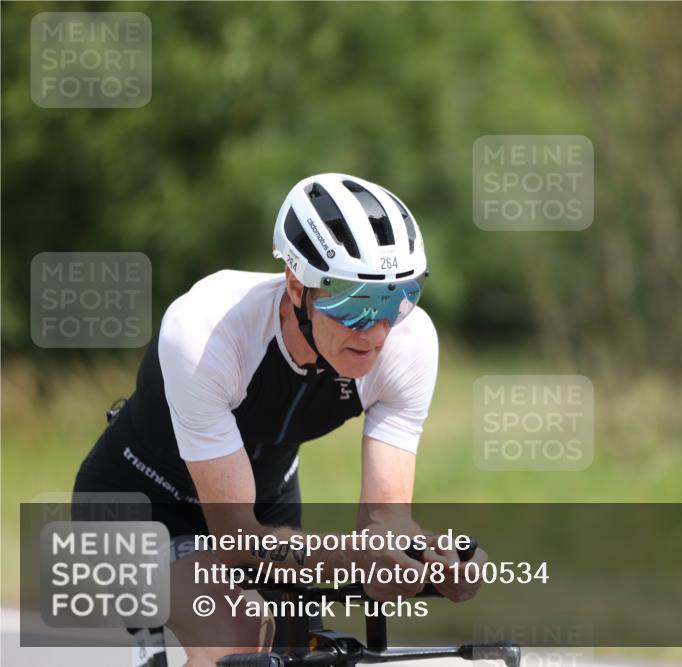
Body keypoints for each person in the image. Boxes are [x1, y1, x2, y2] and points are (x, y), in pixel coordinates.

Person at [72, 173, 485, 666]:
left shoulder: (409, 343)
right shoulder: (208, 334)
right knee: (238, 631)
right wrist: (356, 556)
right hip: (139, 505)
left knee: (304, 650)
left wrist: (432, 556)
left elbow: (384, 519)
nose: (377, 329)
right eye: (356, 303)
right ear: (296, 286)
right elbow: (235, 539)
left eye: (400, 297)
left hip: (267, 504)